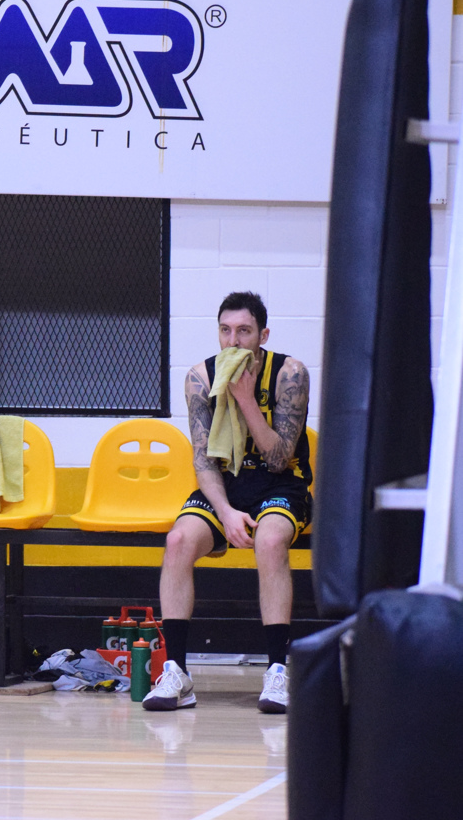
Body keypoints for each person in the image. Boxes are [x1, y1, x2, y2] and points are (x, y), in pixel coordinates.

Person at [145, 291, 311, 716]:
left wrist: (245, 399)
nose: (233, 341)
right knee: (178, 540)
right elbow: (203, 461)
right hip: (225, 488)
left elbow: (279, 458)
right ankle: (177, 672)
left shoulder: (290, 373)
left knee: (269, 542)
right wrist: (225, 513)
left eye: (244, 331)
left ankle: (277, 670)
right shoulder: (200, 378)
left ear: (263, 335)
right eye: (225, 330)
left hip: (280, 484)